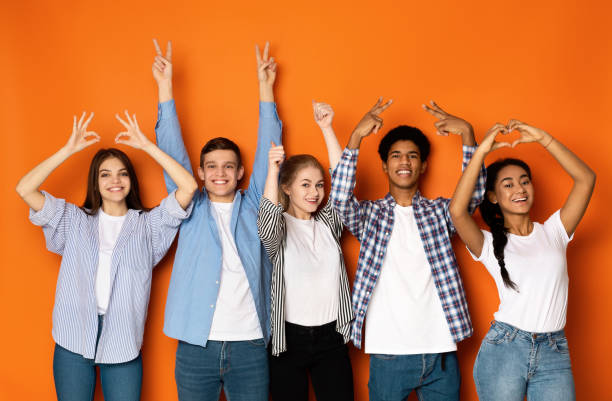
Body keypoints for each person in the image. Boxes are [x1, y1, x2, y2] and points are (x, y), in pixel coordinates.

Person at [15, 110, 197, 401]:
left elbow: (188, 187)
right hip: (73, 336)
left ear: (130, 180)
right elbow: (24, 188)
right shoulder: (73, 220)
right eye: (105, 174)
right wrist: (67, 150)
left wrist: (148, 146)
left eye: (122, 173)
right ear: (95, 181)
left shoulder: (148, 225)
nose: (115, 180)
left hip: (123, 340)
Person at [329, 99, 487, 401]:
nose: (405, 162)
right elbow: (339, 200)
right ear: (385, 165)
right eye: (396, 156)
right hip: (389, 351)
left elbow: (473, 194)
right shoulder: (370, 215)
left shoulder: (442, 212)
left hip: (440, 348)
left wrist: (468, 134)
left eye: (412, 156)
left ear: (423, 165)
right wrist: (355, 139)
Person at [151, 39, 281, 401]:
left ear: (241, 172)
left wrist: (265, 89)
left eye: (228, 166)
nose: (219, 173)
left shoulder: (255, 203)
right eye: (211, 166)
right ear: (200, 172)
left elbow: (270, 149)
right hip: (196, 345)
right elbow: (170, 150)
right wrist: (165, 88)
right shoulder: (188, 204)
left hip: (251, 344)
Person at [448, 120, 595, 401]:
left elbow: (586, 179)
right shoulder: (488, 243)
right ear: (493, 196)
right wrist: (481, 152)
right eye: (508, 184)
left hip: (554, 350)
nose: (520, 189)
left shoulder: (554, 231)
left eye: (525, 181)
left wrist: (544, 137)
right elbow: (457, 211)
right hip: (505, 349)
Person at [257, 101, 354, 401]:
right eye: (306, 185)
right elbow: (267, 217)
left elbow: (345, 184)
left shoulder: (328, 222)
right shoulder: (279, 227)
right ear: (287, 187)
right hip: (289, 339)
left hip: (332, 336)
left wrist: (326, 128)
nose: (315, 192)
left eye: (319, 185)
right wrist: (273, 171)